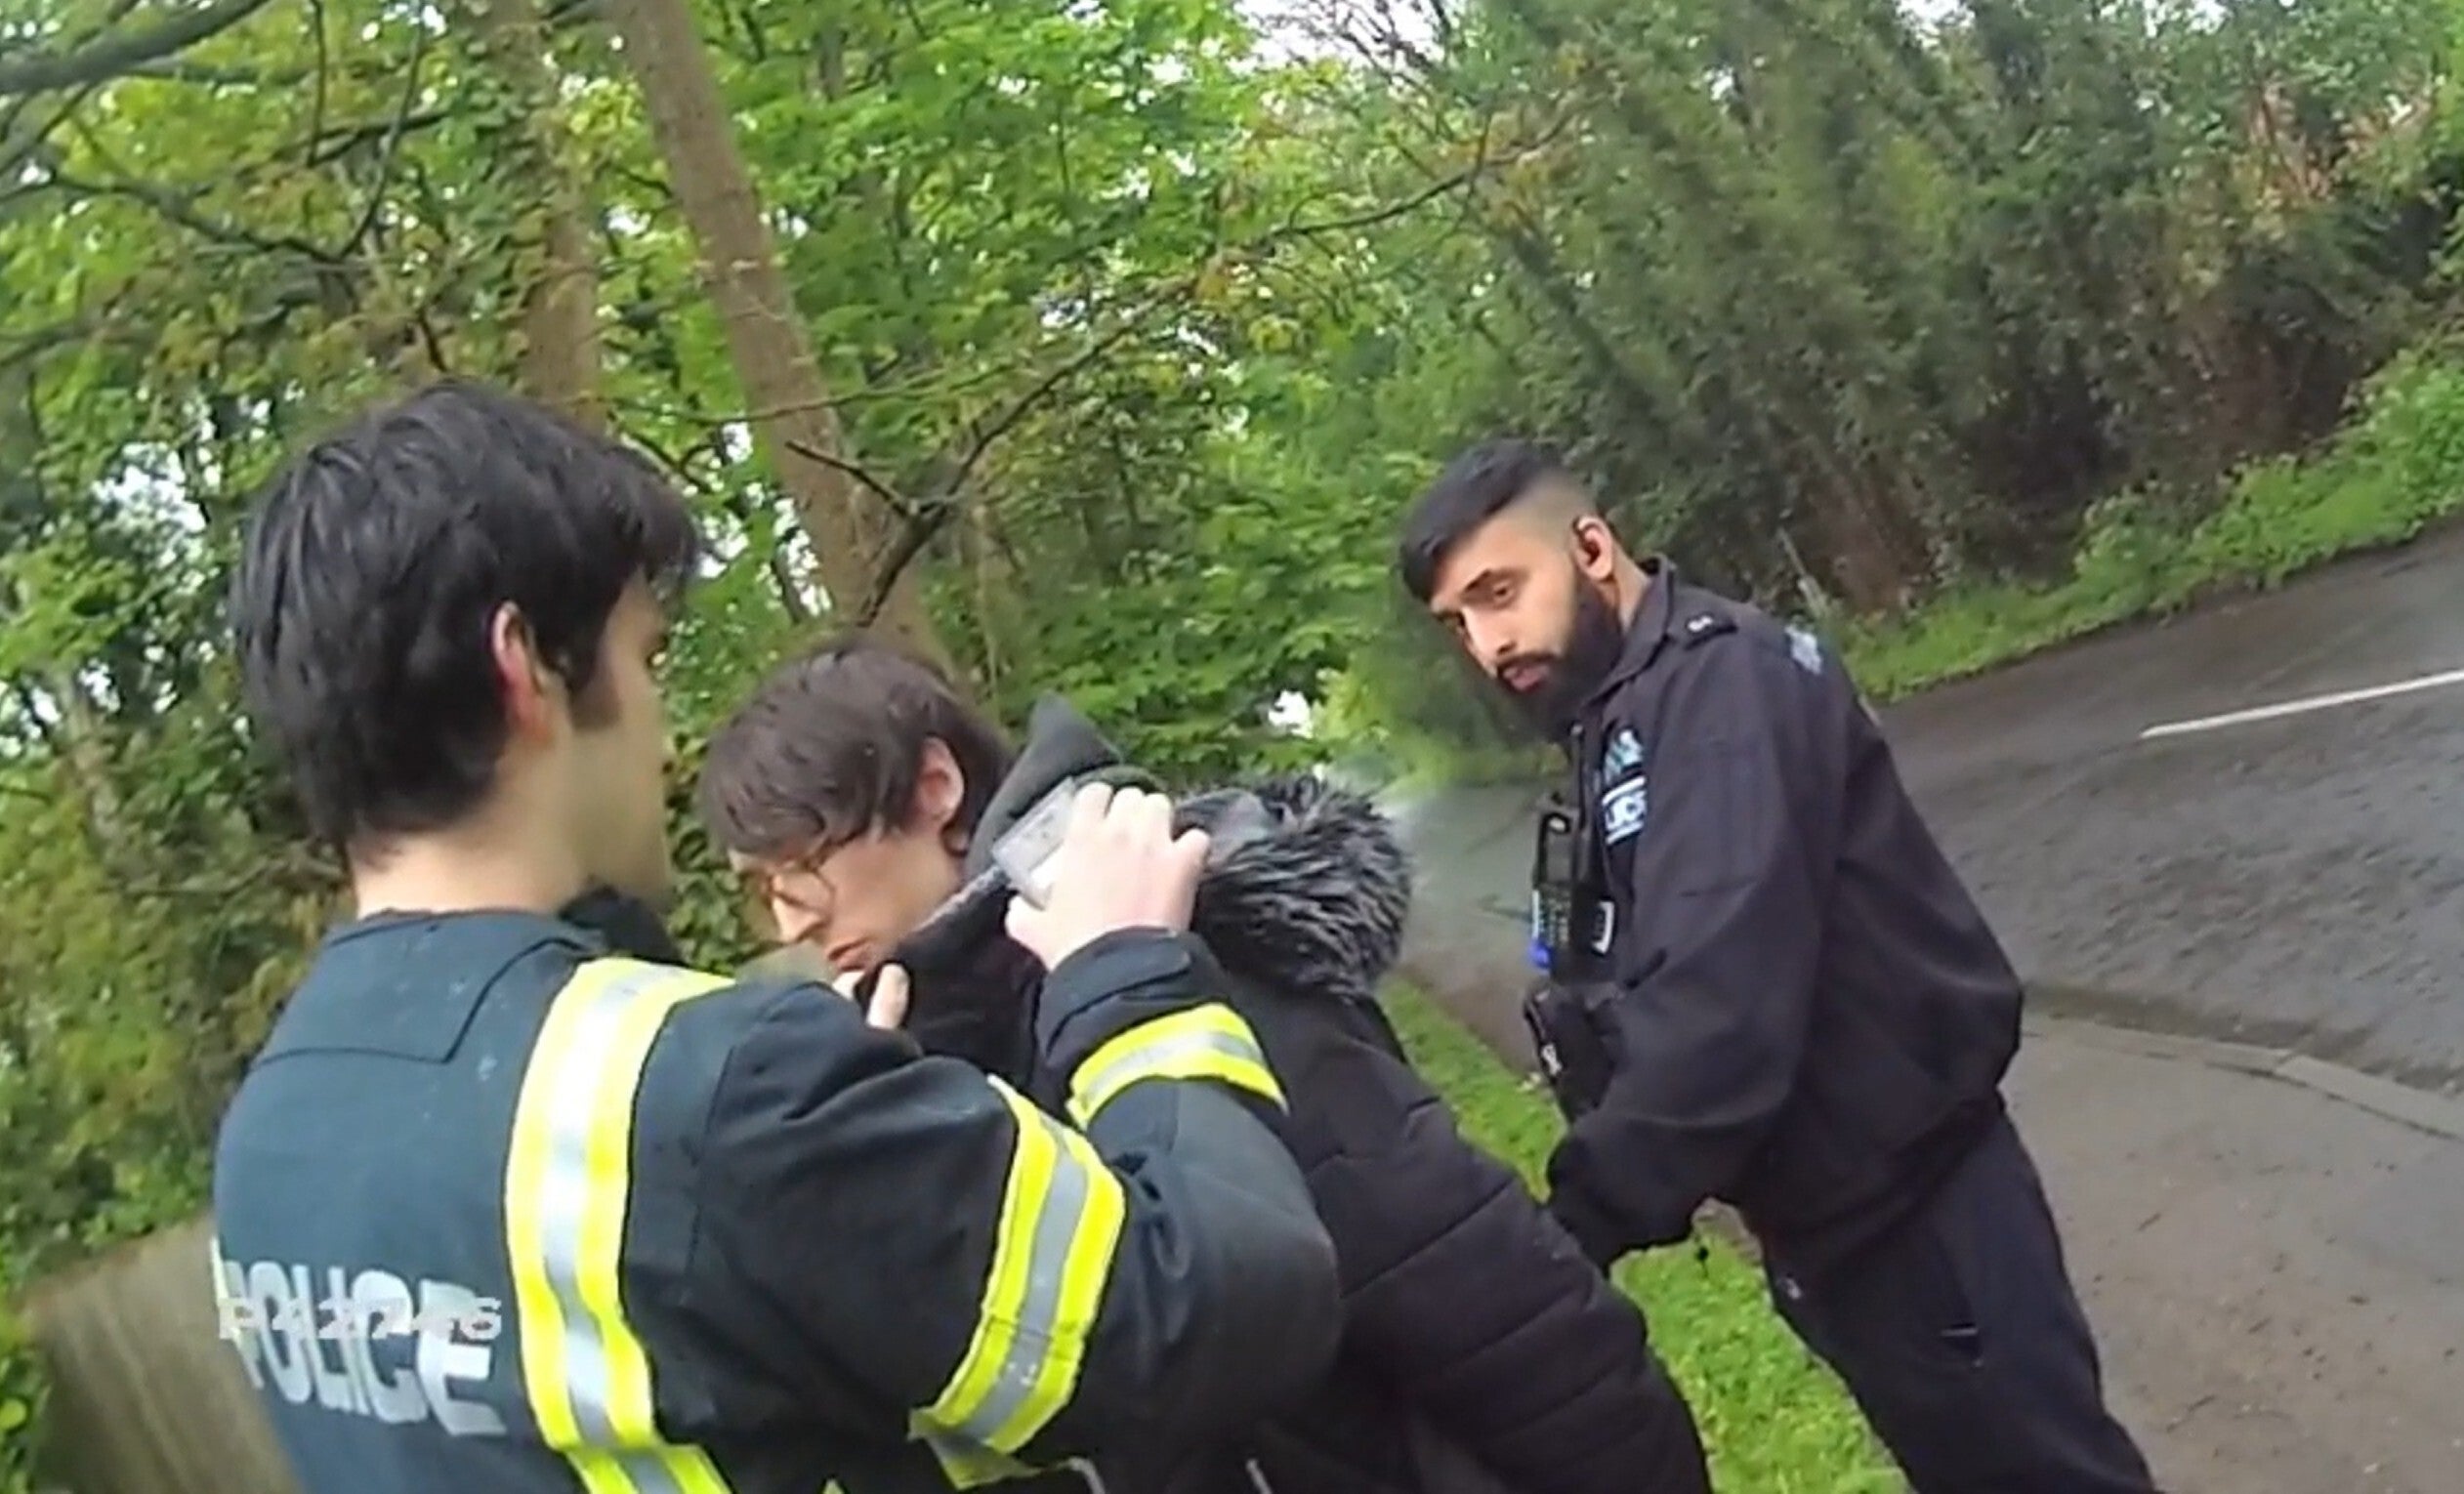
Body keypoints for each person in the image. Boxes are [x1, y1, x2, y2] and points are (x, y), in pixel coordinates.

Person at [207, 379, 1344, 1494]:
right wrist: (1128, 982)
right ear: (526, 672)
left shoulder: (272, 1143)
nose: (664, 735)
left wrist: (896, 1174)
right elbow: (1223, 1310)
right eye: (645, 660)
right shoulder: (709, 1089)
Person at [694, 635, 1713, 1494]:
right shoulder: (956, 1044)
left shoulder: (1188, 975)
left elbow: (1491, 1303)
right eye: (762, 885)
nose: (791, 914)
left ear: (934, 787)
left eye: (807, 858)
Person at [1395, 439, 2160, 1494]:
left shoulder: (1720, 695)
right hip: (1839, 1226)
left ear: (1590, 546)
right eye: (1460, 623)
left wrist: (1574, 1225)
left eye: (1499, 593)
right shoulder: (1623, 715)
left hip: (1919, 1221)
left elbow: (1717, 1013)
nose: (1488, 644)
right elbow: (1616, 970)